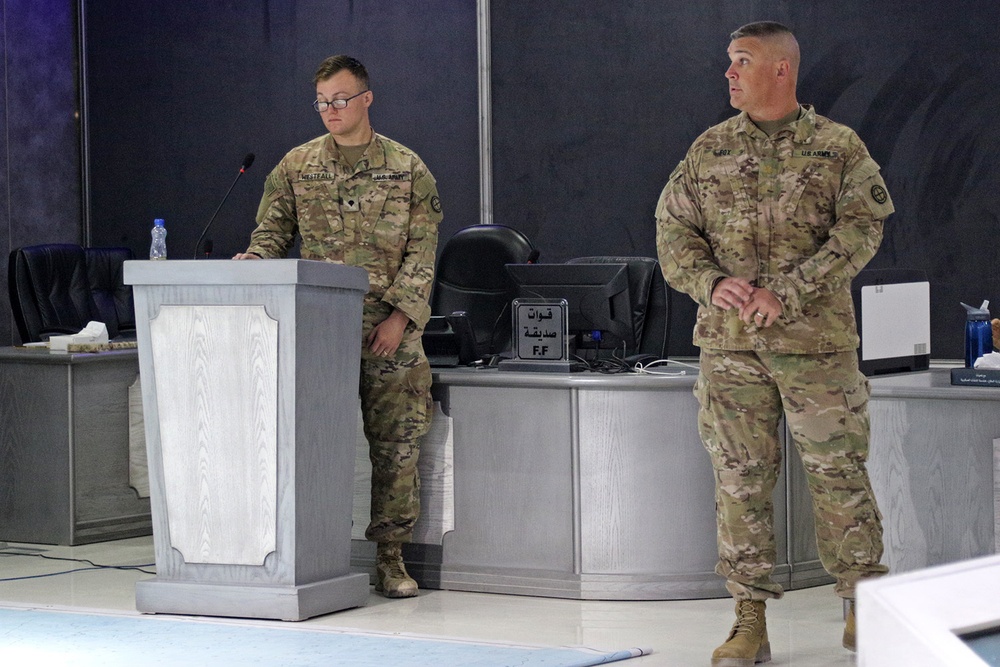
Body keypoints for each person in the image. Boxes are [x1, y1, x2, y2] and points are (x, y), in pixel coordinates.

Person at [655, 21, 892, 665]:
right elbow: (673, 233)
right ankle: (749, 621)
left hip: (817, 349)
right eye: (729, 61)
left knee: (839, 476)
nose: (728, 73)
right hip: (731, 351)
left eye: (742, 61)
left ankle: (862, 608)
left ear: (781, 69)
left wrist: (787, 291)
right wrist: (710, 282)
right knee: (740, 482)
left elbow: (862, 231)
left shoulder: (837, 147)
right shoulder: (708, 149)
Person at [234, 55, 442, 599]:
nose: (331, 109)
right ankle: (313, 556)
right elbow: (271, 233)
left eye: (342, 99)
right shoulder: (297, 165)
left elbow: (422, 252)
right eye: (323, 101)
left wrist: (400, 317)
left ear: (366, 99)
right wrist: (254, 260)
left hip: (388, 331)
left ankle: (391, 560)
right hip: (318, 329)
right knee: (311, 445)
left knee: (396, 448)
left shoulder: (407, 168)